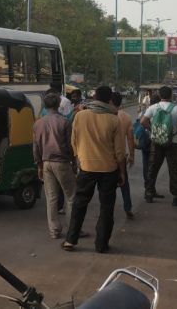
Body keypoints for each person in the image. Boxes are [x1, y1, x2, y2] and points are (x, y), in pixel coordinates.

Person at [61, 86, 126, 254]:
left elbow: (73, 142)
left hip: (86, 167)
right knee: (106, 207)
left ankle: (70, 240)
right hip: (109, 169)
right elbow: (119, 151)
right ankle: (101, 244)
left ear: (94, 96)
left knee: (79, 204)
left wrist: (79, 160)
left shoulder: (80, 116)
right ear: (110, 99)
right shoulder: (114, 119)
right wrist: (122, 172)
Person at [33, 93, 77, 239]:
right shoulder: (64, 122)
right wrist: (74, 162)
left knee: (51, 197)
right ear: (59, 104)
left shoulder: (38, 123)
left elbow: (36, 147)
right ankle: (72, 229)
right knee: (71, 196)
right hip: (62, 162)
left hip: (46, 163)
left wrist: (39, 165)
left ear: (45, 105)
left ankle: (54, 230)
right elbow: (70, 146)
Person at [141, 86, 177, 206]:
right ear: (171, 95)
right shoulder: (176, 108)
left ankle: (149, 193)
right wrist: (174, 131)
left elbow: (143, 122)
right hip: (172, 143)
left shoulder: (153, 107)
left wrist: (153, 131)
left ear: (160, 95)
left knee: (153, 168)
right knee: (174, 169)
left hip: (156, 142)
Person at [110, 92, 136, 219]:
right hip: (121, 157)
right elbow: (130, 138)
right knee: (124, 183)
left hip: (107, 157)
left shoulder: (105, 116)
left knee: (107, 186)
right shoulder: (126, 117)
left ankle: (108, 208)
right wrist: (132, 155)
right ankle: (128, 207)